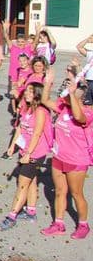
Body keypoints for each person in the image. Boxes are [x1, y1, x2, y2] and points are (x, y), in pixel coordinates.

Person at [40, 74, 92, 239]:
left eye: (73, 91)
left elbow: (78, 117)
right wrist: (48, 83)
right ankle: (58, 223)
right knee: (60, 192)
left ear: (82, 96)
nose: (66, 93)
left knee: (76, 194)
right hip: (59, 157)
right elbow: (45, 100)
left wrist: (72, 93)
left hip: (77, 160)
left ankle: (83, 225)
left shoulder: (88, 113)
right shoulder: (63, 108)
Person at [0, 82, 52, 231]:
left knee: (22, 184)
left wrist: (28, 154)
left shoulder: (41, 111)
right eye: (27, 90)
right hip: (25, 151)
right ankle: (31, 212)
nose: (26, 93)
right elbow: (20, 128)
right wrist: (12, 146)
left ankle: (12, 216)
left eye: (30, 91)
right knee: (32, 181)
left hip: (35, 153)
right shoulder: (26, 108)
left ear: (37, 94)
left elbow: (37, 133)